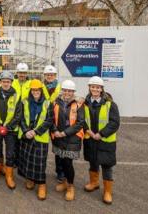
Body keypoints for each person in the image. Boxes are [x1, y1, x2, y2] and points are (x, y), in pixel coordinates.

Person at [83, 76, 120, 205]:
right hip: (90, 138)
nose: (95, 89)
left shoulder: (110, 104)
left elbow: (115, 123)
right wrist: (87, 130)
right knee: (93, 162)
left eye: (97, 87)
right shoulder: (85, 103)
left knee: (107, 165)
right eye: (92, 86)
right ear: (89, 88)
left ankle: (108, 191)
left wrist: (101, 134)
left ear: (101, 89)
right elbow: (81, 119)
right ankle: (94, 183)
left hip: (105, 140)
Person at [18, 79, 52, 200]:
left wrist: (35, 131)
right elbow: (21, 118)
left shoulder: (48, 103)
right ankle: (30, 179)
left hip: (40, 136)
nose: (35, 92)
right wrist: (26, 131)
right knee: (28, 159)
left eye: (37, 90)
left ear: (41, 91)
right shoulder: (25, 102)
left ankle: (42, 185)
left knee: (39, 162)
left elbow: (49, 120)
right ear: (30, 90)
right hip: (27, 135)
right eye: (33, 90)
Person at [50, 80, 84, 201]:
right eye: (65, 90)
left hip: (71, 138)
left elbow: (80, 123)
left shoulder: (79, 104)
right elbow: (51, 119)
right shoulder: (55, 103)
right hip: (58, 137)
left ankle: (70, 186)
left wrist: (65, 132)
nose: (67, 93)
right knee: (60, 160)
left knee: (68, 163)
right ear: (62, 91)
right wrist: (55, 131)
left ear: (73, 92)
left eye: (70, 91)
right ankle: (64, 182)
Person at [0, 71, 22, 189]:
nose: (6, 84)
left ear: (11, 82)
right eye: (3, 81)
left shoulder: (16, 96)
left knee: (10, 153)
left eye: (8, 82)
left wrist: (7, 127)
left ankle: (9, 176)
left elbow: (18, 115)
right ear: (0, 82)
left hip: (11, 130)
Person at [42, 65, 65, 183]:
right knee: (42, 148)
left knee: (58, 148)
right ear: (44, 76)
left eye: (51, 75)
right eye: (47, 75)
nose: (49, 76)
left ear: (55, 76)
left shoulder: (61, 87)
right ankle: (41, 170)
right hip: (43, 120)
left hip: (57, 121)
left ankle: (60, 171)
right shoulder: (40, 87)